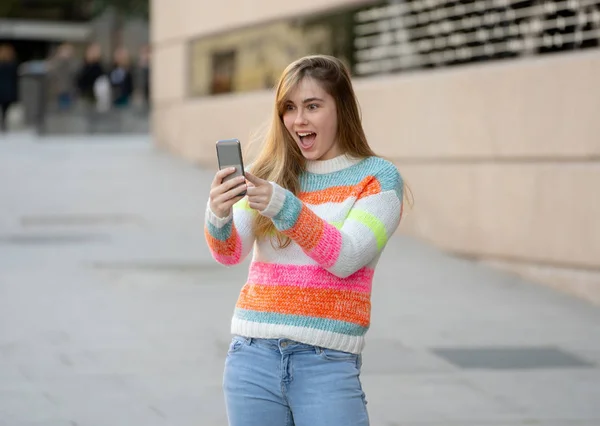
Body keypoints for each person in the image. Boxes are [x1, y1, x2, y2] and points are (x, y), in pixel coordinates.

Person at [204, 54, 407, 426]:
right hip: (252, 358)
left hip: (326, 363)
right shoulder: (271, 173)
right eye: (289, 108)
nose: (299, 120)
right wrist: (217, 214)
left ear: (341, 108)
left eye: (313, 106)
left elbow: (346, 257)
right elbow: (230, 253)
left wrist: (285, 207)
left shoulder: (378, 180)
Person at [0, 44, 19, 133]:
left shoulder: (11, 65)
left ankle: (3, 121)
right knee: (5, 108)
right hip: (8, 89)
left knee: (4, 108)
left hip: (5, 89)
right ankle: (4, 121)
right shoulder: (12, 65)